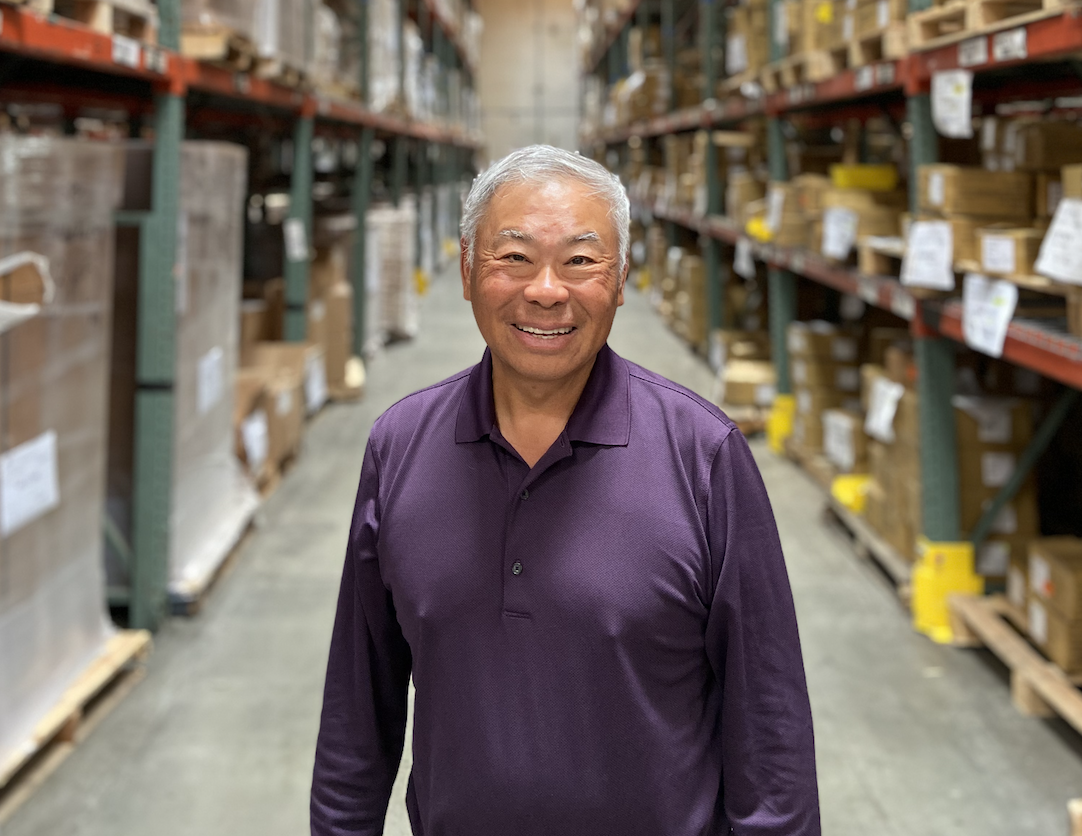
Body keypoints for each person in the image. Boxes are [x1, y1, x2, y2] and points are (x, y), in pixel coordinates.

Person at [311, 144, 820, 835]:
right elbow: (357, 711)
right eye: (513, 257)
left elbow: (770, 733)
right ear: (466, 270)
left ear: (620, 279)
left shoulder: (703, 456)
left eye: (581, 260)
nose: (546, 290)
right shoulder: (399, 446)